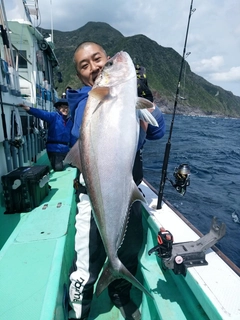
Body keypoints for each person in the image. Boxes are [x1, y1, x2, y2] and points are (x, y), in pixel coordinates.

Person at [67, 41, 165, 320]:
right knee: (86, 259)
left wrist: (144, 99)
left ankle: (120, 290)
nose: (94, 67)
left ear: (107, 59)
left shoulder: (127, 101)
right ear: (80, 76)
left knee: (130, 248)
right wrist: (104, 97)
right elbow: (79, 132)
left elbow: (157, 132)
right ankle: (80, 306)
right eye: (84, 66)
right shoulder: (87, 103)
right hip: (94, 195)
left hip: (128, 191)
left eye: (99, 60)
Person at [19, 98, 76, 171]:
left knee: (76, 165)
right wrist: (29, 109)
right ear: (58, 108)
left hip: (66, 149)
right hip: (54, 149)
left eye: (67, 107)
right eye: (63, 107)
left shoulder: (70, 121)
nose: (66, 109)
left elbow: (72, 136)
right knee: (58, 168)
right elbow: (41, 114)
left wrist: (74, 149)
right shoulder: (53, 116)